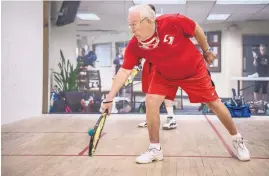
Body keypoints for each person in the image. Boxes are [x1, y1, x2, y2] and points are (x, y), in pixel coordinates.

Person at [101, 4, 250, 164]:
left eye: (134, 24)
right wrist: (109, 98)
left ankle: (237, 139)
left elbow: (195, 28)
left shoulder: (173, 21)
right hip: (164, 74)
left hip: (194, 70)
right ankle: (155, 149)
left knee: (214, 104)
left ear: (150, 21)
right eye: (130, 25)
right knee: (151, 102)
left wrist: (206, 50)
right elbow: (124, 71)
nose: (132, 29)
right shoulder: (134, 45)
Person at [138, 59, 177, 129]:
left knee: (166, 93)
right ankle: (150, 119)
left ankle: (171, 119)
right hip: (149, 64)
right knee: (149, 93)